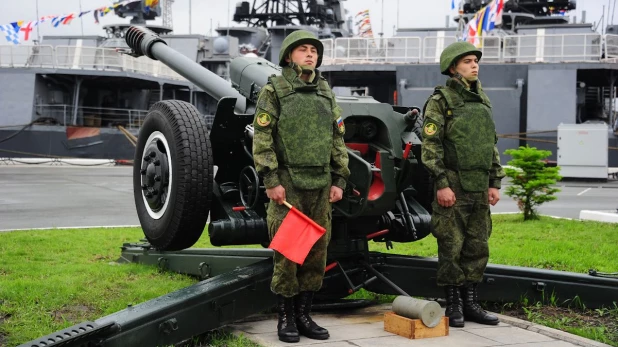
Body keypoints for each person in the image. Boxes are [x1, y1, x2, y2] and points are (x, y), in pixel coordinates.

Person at [252, 29, 350, 343]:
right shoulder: (275, 90)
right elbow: (263, 138)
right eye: (303, 49)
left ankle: (305, 315)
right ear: (289, 55)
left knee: (315, 254)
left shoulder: (325, 91)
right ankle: (285, 318)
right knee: (288, 254)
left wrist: (339, 178)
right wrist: (271, 180)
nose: (310, 54)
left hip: (321, 186)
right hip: (288, 185)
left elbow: (337, 139)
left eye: (314, 51)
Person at [420, 41, 505, 328]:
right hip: (453, 185)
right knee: (451, 246)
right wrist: (442, 183)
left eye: (475, 61)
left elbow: (489, 144)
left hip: (479, 186)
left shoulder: (482, 100)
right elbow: (430, 147)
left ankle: (470, 302)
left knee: (477, 246)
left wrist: (494, 181)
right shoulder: (440, 101)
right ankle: (453, 304)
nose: (474, 65)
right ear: (453, 67)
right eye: (467, 61)